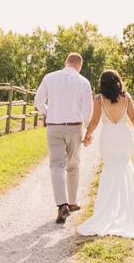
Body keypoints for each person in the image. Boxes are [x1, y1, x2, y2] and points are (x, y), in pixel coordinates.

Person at [78, 70, 134, 239]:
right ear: (118, 82)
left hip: (108, 138)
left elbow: (94, 121)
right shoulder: (126, 97)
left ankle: (107, 212)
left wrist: (87, 135)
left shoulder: (99, 99)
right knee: (124, 169)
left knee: (110, 171)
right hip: (123, 136)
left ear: (102, 84)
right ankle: (128, 211)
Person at [34, 53, 94, 223]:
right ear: (79, 65)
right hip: (75, 128)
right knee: (73, 165)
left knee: (56, 166)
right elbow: (87, 111)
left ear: (66, 63)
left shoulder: (49, 77)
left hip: (54, 128)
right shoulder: (83, 82)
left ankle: (62, 205)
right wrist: (89, 132)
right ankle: (73, 202)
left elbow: (38, 101)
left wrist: (49, 112)